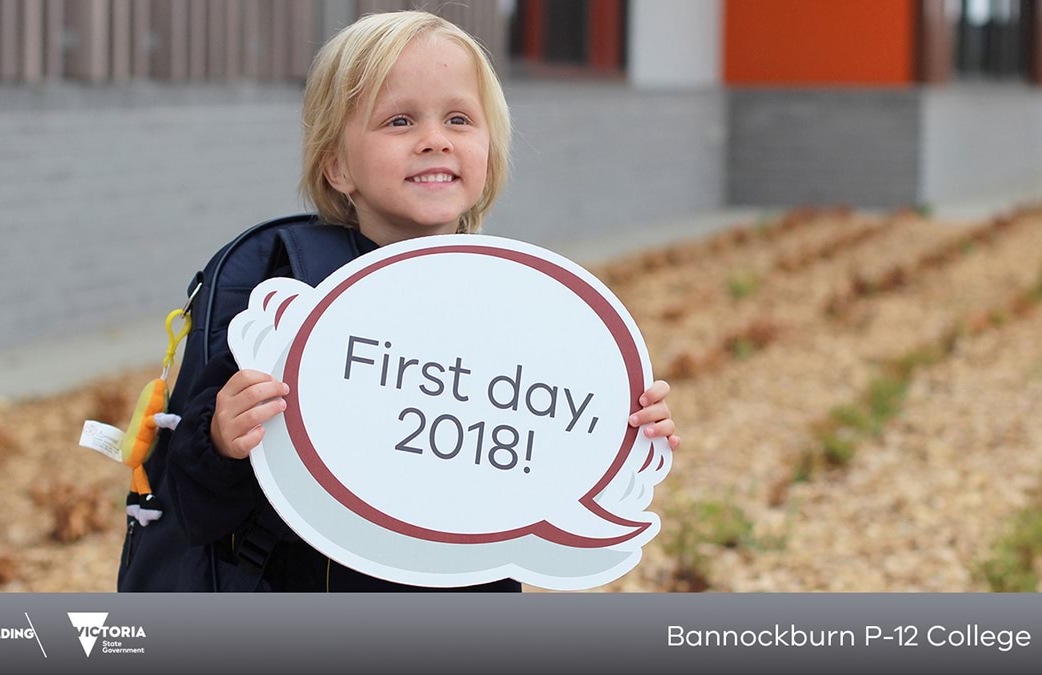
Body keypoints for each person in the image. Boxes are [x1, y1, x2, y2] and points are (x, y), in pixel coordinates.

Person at [166, 10, 682, 592]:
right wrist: (220, 440)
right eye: (400, 121)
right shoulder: (297, 302)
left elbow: (543, 438)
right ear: (337, 165)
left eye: (459, 119)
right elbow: (195, 507)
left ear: (489, 155)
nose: (434, 139)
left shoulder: (523, 306)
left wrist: (623, 427)